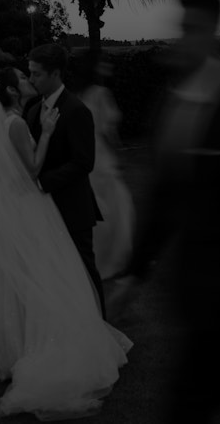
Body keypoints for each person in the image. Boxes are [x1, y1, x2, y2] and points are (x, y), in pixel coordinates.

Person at [115, 0, 220, 423]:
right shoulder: (173, 102)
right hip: (193, 287)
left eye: (193, 29)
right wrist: (134, 273)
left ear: (212, 32)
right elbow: (164, 197)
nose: (183, 39)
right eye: (182, 28)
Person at [0, 66, 132, 420]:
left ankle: (18, 344)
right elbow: (32, 169)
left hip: (15, 206)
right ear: (12, 91)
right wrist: (45, 133)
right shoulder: (17, 121)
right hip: (30, 205)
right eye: (23, 77)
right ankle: (54, 341)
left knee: (24, 273)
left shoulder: (8, 120)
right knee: (48, 271)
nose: (28, 80)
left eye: (32, 74)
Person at [26, 43, 107, 318]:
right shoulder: (32, 109)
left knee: (84, 270)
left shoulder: (76, 110)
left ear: (55, 73)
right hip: (41, 208)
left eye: (36, 74)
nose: (31, 79)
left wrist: (42, 183)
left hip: (72, 207)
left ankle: (99, 324)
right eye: (30, 73)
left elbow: (83, 162)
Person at [70, 49, 135, 281]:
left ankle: (93, 257)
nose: (108, 66)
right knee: (116, 206)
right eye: (104, 63)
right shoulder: (101, 93)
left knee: (95, 207)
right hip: (101, 154)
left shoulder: (77, 93)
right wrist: (119, 154)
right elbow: (108, 131)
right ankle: (116, 258)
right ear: (95, 67)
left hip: (85, 154)